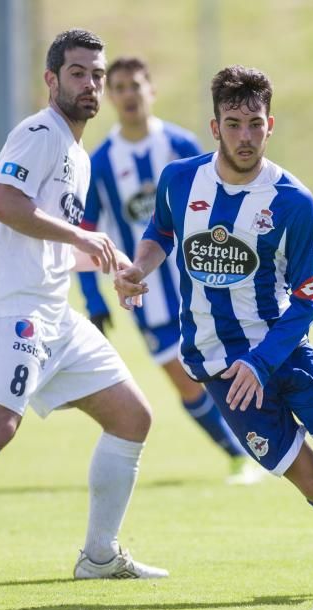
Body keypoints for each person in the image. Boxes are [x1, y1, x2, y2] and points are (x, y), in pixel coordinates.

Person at [113, 65, 313, 588]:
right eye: (234, 123)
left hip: (283, 356)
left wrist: (261, 361)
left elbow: (308, 299)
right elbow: (160, 231)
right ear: (214, 127)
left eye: (255, 124)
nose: (245, 136)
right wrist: (138, 267)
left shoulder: (292, 201)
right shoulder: (179, 180)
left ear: (271, 125)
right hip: (222, 372)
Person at [0, 29, 168, 589]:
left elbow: (52, 242)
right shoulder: (39, 133)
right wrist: (81, 235)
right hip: (12, 306)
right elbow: (1, 204)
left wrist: (111, 263)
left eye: (97, 74)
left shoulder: (77, 150)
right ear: (51, 80)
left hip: (53, 313)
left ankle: (98, 556)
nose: (90, 84)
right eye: (78, 73)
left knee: (132, 416)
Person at [76, 56, 261, 486]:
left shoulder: (180, 146)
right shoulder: (101, 162)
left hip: (204, 282)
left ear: (150, 91)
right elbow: (86, 230)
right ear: (110, 97)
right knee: (186, 381)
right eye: (118, 87)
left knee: (233, 369)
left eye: (134, 85)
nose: (127, 94)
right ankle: (238, 455)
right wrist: (92, 296)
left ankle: (269, 438)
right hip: (147, 296)